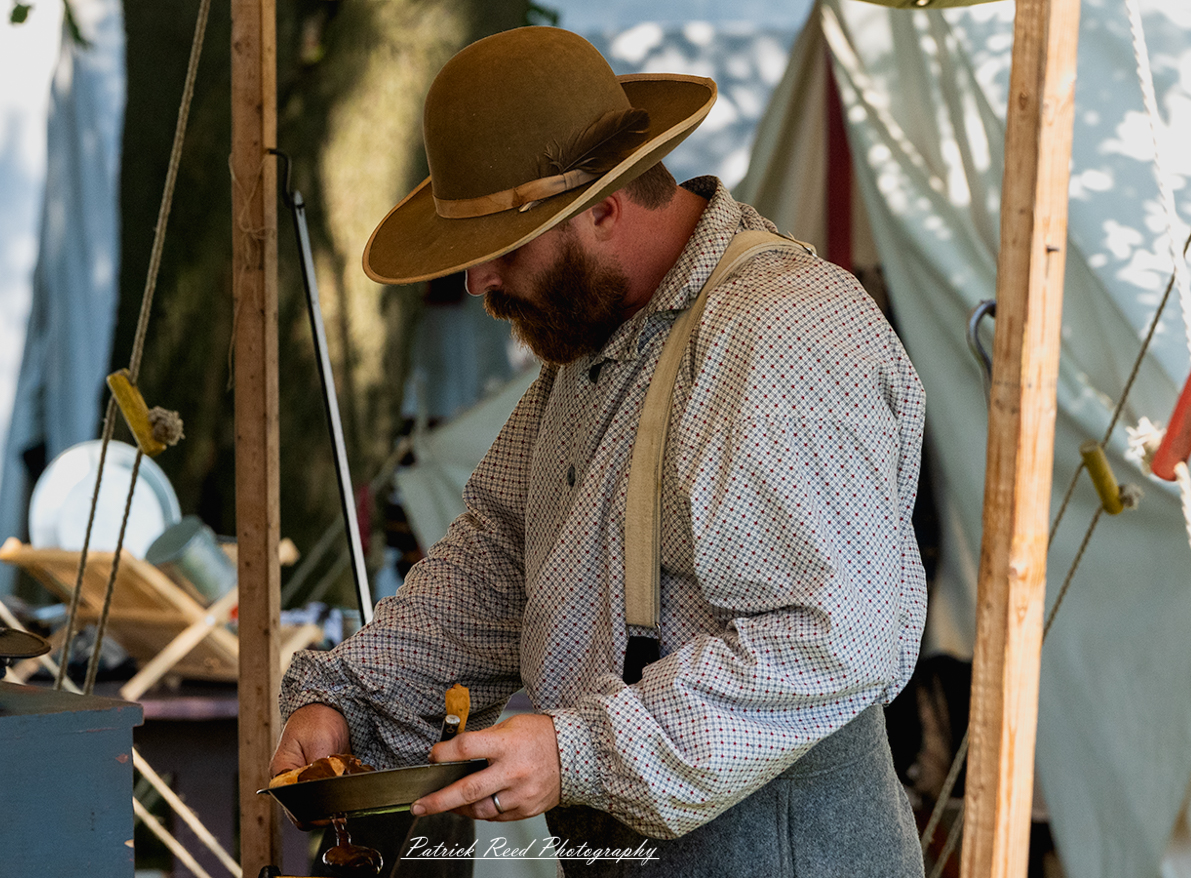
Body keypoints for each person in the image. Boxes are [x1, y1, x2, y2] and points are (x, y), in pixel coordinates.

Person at [274, 25, 928, 877]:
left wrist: (577, 753)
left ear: (603, 211)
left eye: (505, 250)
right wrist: (350, 701)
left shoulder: (781, 333)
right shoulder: (597, 347)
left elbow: (831, 636)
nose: (478, 283)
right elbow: (501, 563)